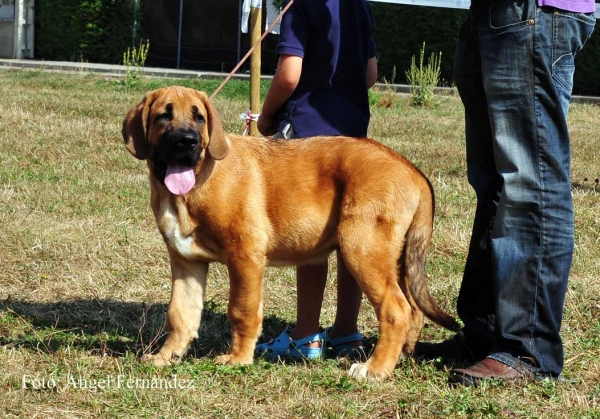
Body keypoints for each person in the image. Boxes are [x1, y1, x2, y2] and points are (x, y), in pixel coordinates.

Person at [417, 0, 596, 386]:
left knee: (531, 182)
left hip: (534, 11)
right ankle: (487, 332)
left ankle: (527, 349)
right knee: (495, 184)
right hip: (494, 12)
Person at [254, 0, 378, 360]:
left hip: (307, 137)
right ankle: (346, 332)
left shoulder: (300, 6)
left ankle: (306, 333)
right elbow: (370, 75)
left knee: (311, 234)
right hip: (352, 136)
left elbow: (289, 74)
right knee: (349, 235)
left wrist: (265, 117)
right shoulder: (361, 7)